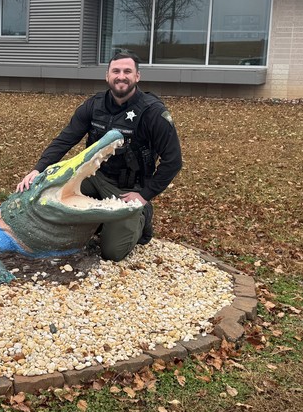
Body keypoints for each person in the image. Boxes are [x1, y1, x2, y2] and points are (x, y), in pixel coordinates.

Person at [16, 50, 183, 261]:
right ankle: (100, 219)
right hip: (93, 177)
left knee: (112, 252)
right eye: (116, 71)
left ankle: (142, 215)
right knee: (50, 195)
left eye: (127, 71)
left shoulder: (152, 112)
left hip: (128, 188)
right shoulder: (94, 105)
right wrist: (37, 170)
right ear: (107, 76)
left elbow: (173, 161)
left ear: (137, 76)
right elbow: (65, 139)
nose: (121, 76)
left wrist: (143, 196)